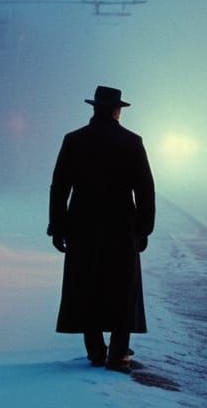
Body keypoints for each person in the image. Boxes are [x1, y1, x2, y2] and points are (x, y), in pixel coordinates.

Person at [48, 85, 156, 374]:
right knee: (123, 288)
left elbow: (59, 187)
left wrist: (57, 226)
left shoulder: (74, 141)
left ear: (94, 108)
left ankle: (96, 351)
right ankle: (118, 352)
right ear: (116, 110)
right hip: (122, 226)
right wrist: (144, 228)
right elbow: (145, 189)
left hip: (82, 225)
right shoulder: (132, 142)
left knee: (87, 286)